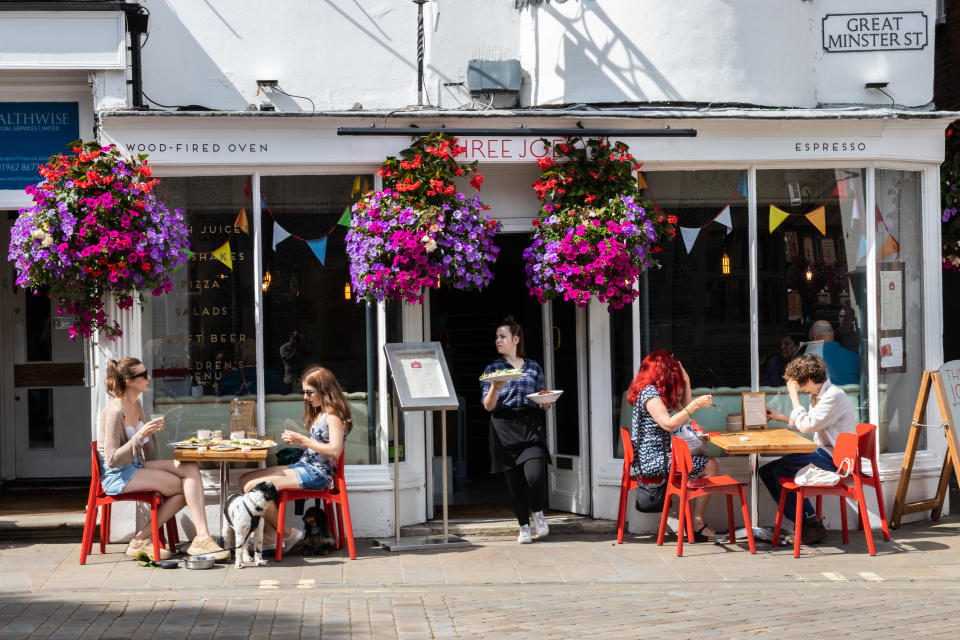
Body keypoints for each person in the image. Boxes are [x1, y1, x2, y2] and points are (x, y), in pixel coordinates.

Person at [97, 358, 228, 560]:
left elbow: (149, 456)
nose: (148, 377)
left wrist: (151, 434)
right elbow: (113, 459)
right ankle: (141, 539)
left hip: (136, 465)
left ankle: (202, 538)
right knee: (183, 489)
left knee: (190, 467)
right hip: (118, 474)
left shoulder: (137, 404)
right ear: (128, 380)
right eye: (142, 375)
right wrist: (141, 435)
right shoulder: (115, 412)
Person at [239, 366, 351, 552]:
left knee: (255, 488)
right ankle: (269, 535)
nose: (305, 397)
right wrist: (298, 441)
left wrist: (304, 439)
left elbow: (334, 451)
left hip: (317, 474)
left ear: (324, 389)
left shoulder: (334, 417)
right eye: (304, 392)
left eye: (309, 392)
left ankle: (288, 534)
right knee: (245, 480)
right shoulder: (321, 412)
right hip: (304, 466)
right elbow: (317, 446)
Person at [760, 354, 857, 544]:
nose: (800, 389)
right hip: (825, 453)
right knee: (766, 471)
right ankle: (807, 522)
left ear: (810, 379)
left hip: (837, 460)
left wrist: (793, 397)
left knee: (781, 469)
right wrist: (782, 418)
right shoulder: (819, 395)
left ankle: (810, 524)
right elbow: (812, 424)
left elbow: (807, 426)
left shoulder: (833, 396)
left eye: (800, 384)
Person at [628, 350, 719, 540]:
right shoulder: (650, 393)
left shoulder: (651, 391)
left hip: (657, 457)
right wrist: (694, 405)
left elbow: (683, 412)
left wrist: (687, 382)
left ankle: (693, 519)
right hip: (653, 461)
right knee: (710, 465)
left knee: (704, 462)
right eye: (672, 372)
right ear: (663, 372)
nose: (674, 376)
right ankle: (697, 521)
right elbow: (669, 423)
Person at [481, 316, 554, 544]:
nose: (498, 341)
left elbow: (542, 395)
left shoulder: (533, 367)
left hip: (530, 424)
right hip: (503, 426)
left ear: (515, 339)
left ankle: (538, 512)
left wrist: (546, 402)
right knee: (514, 482)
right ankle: (524, 526)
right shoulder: (493, 369)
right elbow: (488, 405)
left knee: (535, 476)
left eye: (502, 337)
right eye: (496, 337)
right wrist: (495, 387)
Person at [805, 320, 859, 385]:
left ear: (815, 337)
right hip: (852, 395)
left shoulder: (808, 360)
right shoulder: (855, 357)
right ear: (833, 334)